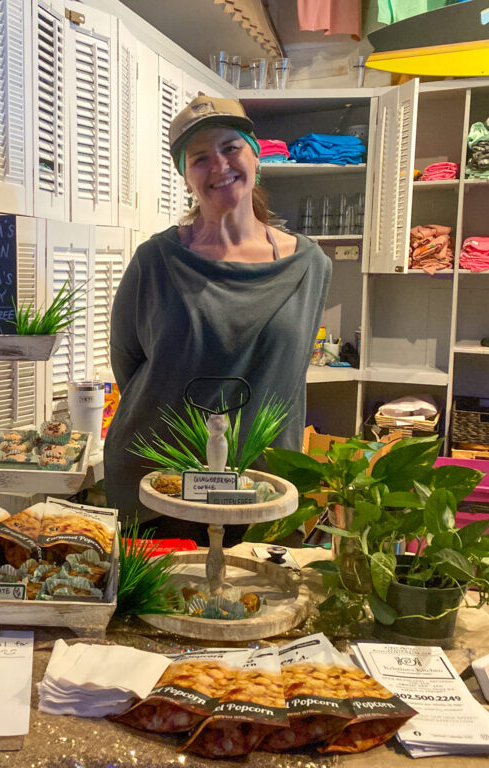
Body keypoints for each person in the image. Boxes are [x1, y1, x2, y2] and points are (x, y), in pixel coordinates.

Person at [104, 94, 332, 532]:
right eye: (200, 158)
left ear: (255, 155)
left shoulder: (310, 265)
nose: (219, 166)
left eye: (230, 148)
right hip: (159, 489)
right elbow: (128, 364)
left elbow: (290, 367)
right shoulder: (155, 260)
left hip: (262, 486)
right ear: (186, 178)